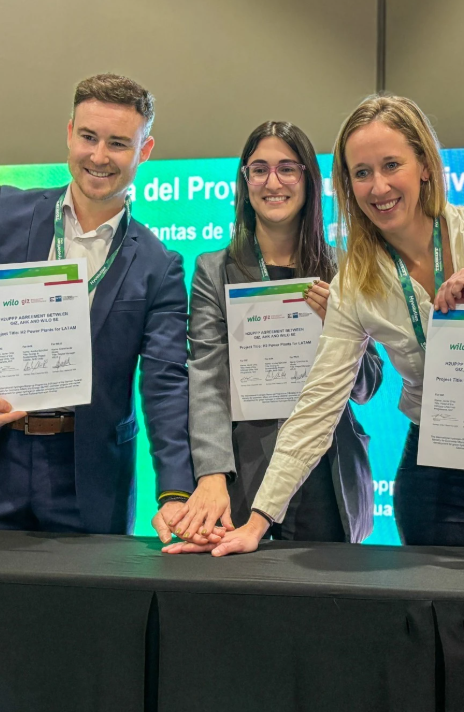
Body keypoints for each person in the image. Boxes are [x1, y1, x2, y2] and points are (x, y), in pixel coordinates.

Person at [170, 94, 464, 556]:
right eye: (362, 173)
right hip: (438, 477)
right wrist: (258, 522)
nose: (378, 187)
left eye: (391, 165)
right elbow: (318, 405)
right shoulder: (356, 280)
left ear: (424, 165)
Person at [0, 73, 226, 536]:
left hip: (90, 479)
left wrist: (176, 492)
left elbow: (164, 384)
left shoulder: (159, 265)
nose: (99, 156)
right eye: (88, 137)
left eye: (118, 143)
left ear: (144, 150)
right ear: (69, 134)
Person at [163, 121, 383, 546]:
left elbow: (368, 386)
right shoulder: (215, 269)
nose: (273, 182)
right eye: (259, 169)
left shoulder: (345, 268)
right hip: (245, 468)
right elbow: (207, 379)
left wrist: (338, 328)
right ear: (245, 181)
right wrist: (212, 473)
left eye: (287, 169)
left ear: (308, 179)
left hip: (327, 470)